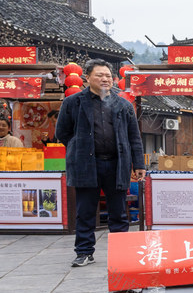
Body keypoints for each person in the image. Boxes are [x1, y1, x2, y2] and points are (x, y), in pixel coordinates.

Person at [56, 59, 145, 267]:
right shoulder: (73, 103)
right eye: (99, 75)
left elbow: (134, 137)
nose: (104, 79)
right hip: (86, 165)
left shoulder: (123, 105)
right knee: (85, 211)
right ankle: (85, 252)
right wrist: (79, 147)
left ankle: (121, 253)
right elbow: (62, 132)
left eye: (107, 76)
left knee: (119, 212)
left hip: (116, 164)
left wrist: (139, 164)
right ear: (87, 78)